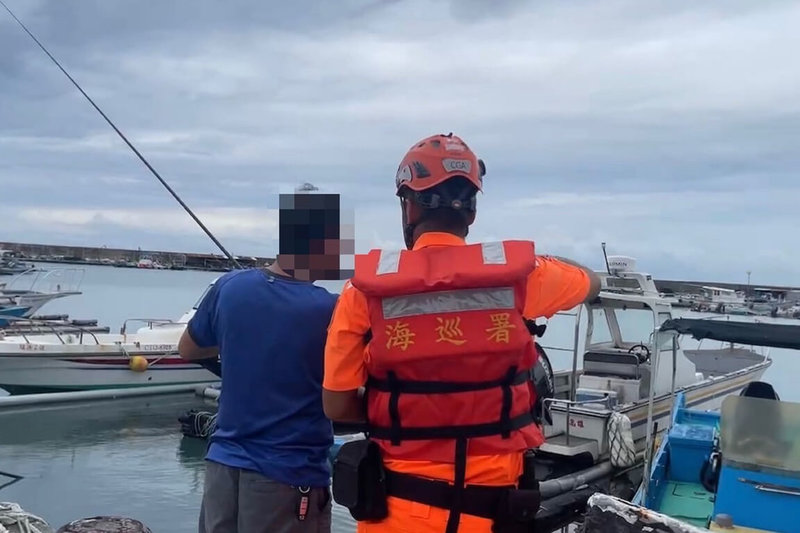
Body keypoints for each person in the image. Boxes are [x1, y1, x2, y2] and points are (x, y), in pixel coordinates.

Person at [322, 133, 601, 533]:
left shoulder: (362, 291)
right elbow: (591, 283)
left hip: (397, 514)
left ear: (408, 207)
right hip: (493, 515)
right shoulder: (524, 277)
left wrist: (405, 409)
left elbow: (336, 406)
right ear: (470, 213)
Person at [179, 191, 345, 533]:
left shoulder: (229, 286)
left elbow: (189, 349)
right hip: (288, 476)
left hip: (222, 469)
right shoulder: (331, 309)